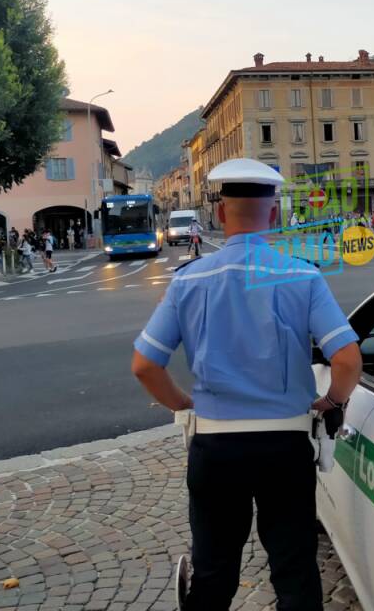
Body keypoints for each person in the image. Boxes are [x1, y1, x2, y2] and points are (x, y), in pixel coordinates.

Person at [131, 158, 362, 611]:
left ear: (220, 215)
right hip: (285, 446)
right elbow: (347, 360)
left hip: (216, 448)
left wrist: (185, 406)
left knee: (214, 573)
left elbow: (144, 366)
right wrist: (330, 400)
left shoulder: (188, 281)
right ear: (274, 215)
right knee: (294, 570)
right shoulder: (303, 276)